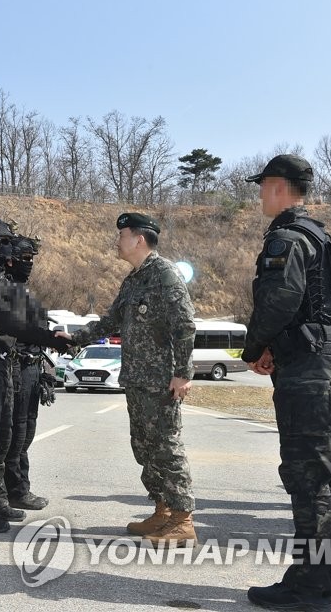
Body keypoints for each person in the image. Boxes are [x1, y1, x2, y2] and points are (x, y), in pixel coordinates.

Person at [240, 154, 331, 611]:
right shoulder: (325, 240)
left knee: (310, 482)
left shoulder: (287, 238)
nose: (259, 195)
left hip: (309, 372)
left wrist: (254, 348)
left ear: (277, 186)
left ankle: (310, 590)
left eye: (263, 186)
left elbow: (280, 299)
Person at [71, 212, 197, 547]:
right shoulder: (134, 279)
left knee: (167, 447)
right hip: (138, 379)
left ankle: (183, 520)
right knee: (144, 446)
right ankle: (162, 510)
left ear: (139, 238)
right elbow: (110, 321)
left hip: (161, 381)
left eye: (122, 234)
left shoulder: (164, 274)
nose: (118, 241)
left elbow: (185, 325)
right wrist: (73, 338)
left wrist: (182, 373)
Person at [0, 217, 71, 533]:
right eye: (4, 242)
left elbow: (19, 317)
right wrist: (50, 338)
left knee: (3, 437)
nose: (10, 250)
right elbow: (8, 322)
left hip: (1, 364)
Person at [3, 235, 54, 512]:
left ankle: (14, 488)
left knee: (26, 430)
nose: (30, 264)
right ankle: (16, 490)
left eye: (32, 259)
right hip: (17, 368)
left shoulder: (21, 292)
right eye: (24, 259)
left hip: (32, 368)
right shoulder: (4, 291)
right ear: (9, 260)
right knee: (17, 433)